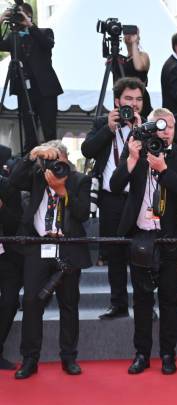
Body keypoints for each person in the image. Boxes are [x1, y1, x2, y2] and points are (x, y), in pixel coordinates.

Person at [110, 108, 177, 374]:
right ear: (151, 128)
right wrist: (133, 160)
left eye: (170, 126)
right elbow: (114, 185)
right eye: (161, 126)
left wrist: (164, 169)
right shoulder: (136, 150)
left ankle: (168, 354)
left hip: (170, 236)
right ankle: (142, 354)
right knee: (142, 300)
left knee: (169, 299)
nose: (166, 131)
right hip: (141, 235)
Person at [8, 140, 92, 379]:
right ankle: (30, 359)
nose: (56, 168)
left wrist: (63, 190)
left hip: (68, 248)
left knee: (69, 305)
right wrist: (31, 156)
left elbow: (83, 213)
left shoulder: (79, 180)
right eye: (51, 162)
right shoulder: (36, 177)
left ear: (67, 160)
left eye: (60, 162)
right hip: (38, 247)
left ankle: (69, 358)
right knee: (32, 304)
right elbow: (13, 181)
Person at [81, 77, 145, 321]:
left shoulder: (147, 124)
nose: (134, 104)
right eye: (129, 99)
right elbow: (87, 150)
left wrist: (139, 129)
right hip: (111, 199)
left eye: (138, 99)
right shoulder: (102, 123)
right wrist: (109, 129)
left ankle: (144, 305)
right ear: (117, 101)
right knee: (115, 254)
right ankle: (118, 304)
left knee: (141, 255)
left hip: (139, 199)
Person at [0, 3, 63, 153]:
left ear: (30, 16)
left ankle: (52, 163)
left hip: (45, 90)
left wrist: (29, 24)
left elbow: (47, 44)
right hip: (24, 90)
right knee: (29, 135)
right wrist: (1, 20)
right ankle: (30, 166)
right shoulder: (13, 37)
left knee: (49, 133)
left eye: (22, 15)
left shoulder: (45, 32)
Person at [0, 146, 23, 370]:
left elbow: (16, 221)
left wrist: (2, 207)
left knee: (9, 302)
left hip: (7, 254)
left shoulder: (8, 186)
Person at [111, 26, 152, 118]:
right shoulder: (122, 60)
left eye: (132, 33)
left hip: (139, 98)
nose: (129, 35)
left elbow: (138, 66)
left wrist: (134, 43)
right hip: (124, 99)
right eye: (126, 33)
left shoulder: (143, 56)